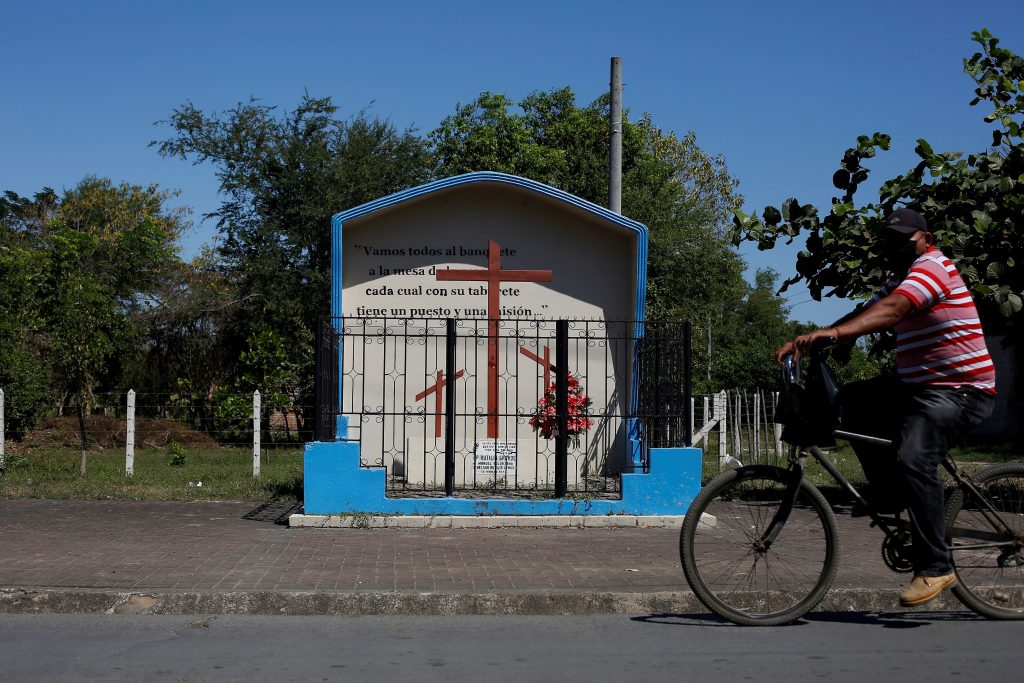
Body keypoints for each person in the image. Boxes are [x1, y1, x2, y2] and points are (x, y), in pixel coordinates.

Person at [775, 207, 996, 608]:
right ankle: (891, 495)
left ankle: (935, 566)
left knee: (915, 456)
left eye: (905, 242)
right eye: (890, 242)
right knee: (853, 400)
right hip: (918, 388)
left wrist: (837, 331)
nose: (897, 249)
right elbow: (868, 311)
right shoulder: (900, 277)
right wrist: (817, 338)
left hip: (961, 391)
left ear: (926, 239)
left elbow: (893, 310)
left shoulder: (933, 268)